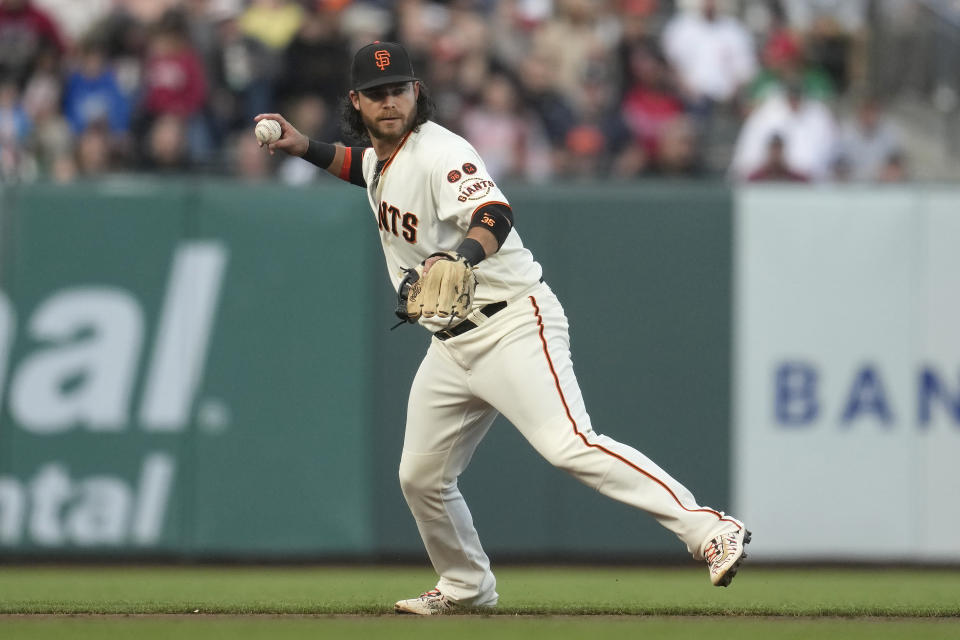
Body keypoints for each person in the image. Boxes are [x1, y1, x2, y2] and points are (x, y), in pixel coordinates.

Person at [256, 41, 750, 615]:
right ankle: (465, 585)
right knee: (420, 477)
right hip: (452, 345)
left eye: (399, 90)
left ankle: (710, 529)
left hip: (512, 320)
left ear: (416, 92)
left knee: (569, 445)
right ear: (357, 102)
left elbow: (494, 213)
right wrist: (304, 148)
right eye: (377, 94)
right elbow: (362, 166)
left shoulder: (442, 151)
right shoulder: (384, 157)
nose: (389, 103)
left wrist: (461, 257)